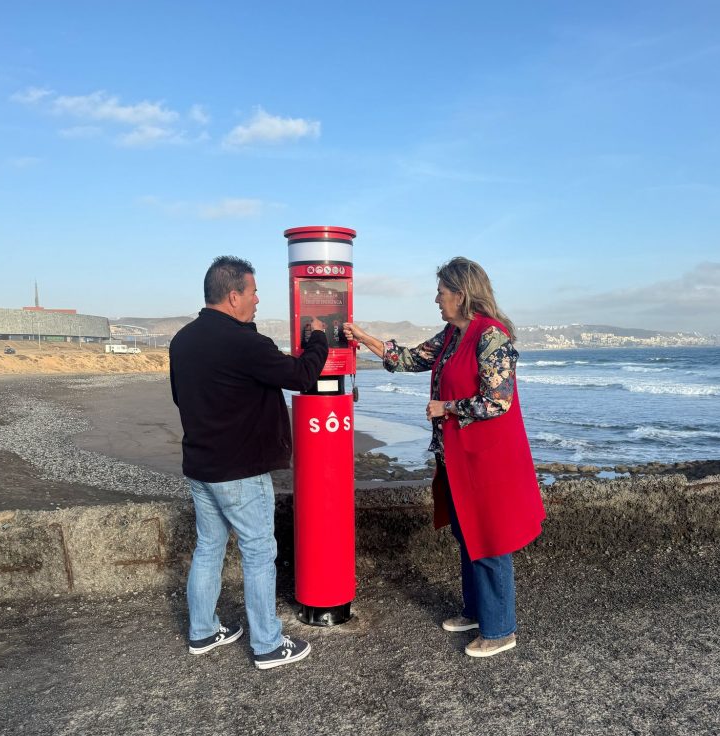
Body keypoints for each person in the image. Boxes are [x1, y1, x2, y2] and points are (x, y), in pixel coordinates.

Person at [344, 257, 545, 659]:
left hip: (487, 458)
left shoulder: (492, 337)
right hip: (456, 456)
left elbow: (498, 401)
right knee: (465, 532)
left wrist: (447, 408)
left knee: (489, 539)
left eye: (441, 292)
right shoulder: (453, 335)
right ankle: (476, 611)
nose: (436, 299)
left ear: (461, 293)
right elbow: (412, 358)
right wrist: (364, 338)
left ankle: (500, 629)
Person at [170, 255, 328, 669]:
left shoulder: (182, 340)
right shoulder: (243, 342)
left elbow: (181, 397)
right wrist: (318, 340)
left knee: (209, 547)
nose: (258, 300)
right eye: (254, 292)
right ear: (234, 295)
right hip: (240, 470)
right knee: (259, 551)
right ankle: (268, 645)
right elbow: (300, 376)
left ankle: (203, 632)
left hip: (200, 466)